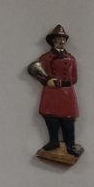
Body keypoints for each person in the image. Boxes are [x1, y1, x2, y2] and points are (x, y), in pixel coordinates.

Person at [29, 24, 81, 157]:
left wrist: (65, 83)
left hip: (67, 92)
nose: (62, 41)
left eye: (64, 39)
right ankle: (53, 141)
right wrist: (47, 81)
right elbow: (37, 72)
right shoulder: (46, 57)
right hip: (51, 92)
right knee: (50, 117)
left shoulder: (71, 58)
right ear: (53, 40)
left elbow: (74, 77)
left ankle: (70, 144)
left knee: (68, 119)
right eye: (59, 38)